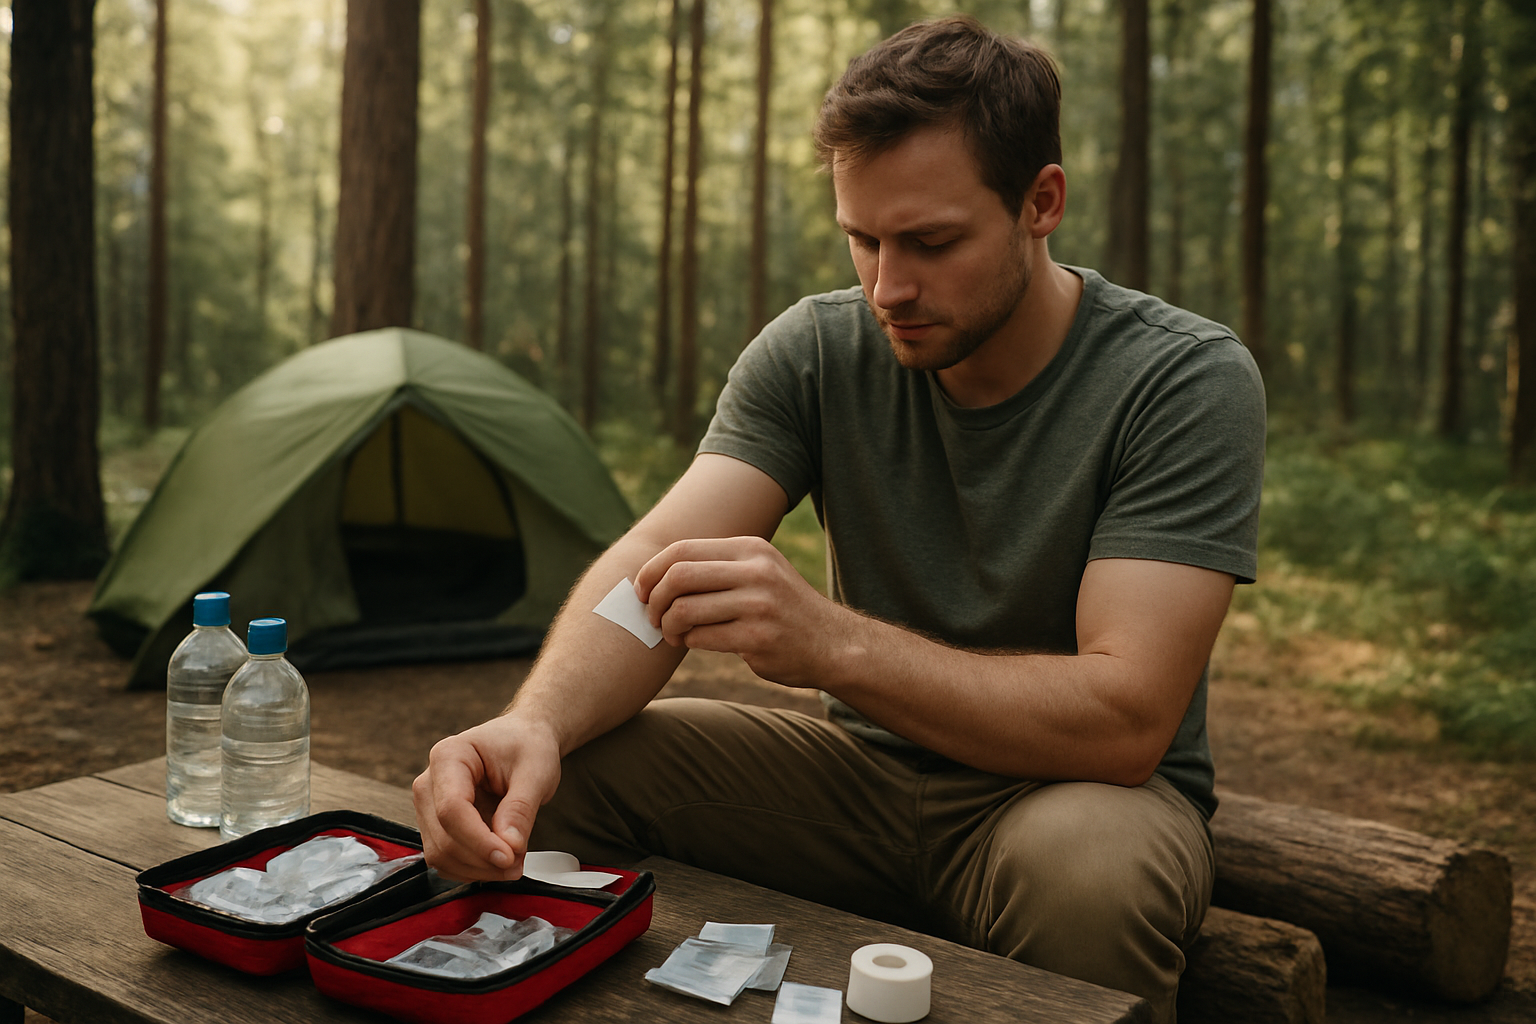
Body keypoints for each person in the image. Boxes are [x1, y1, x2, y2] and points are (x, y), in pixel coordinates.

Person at [414, 14, 1264, 1021]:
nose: (887, 287)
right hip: (858, 780)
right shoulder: (814, 351)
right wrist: (534, 722)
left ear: (1042, 203)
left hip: (1074, 797)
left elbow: (1125, 721)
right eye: (862, 239)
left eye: (932, 241)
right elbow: (654, 562)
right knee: (546, 782)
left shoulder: (1180, 379)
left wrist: (832, 644)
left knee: (1087, 874)